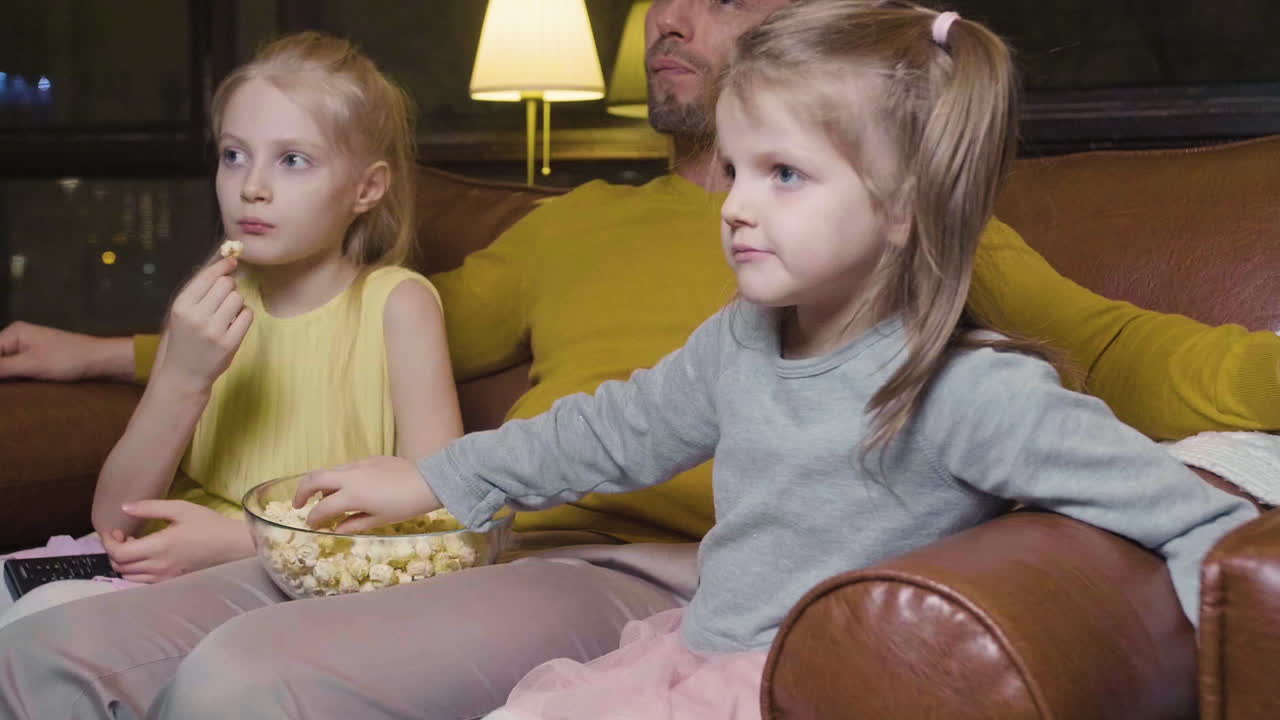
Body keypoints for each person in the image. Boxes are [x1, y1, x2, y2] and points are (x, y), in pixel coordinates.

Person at [0, 0, 1277, 717]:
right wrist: (127, 358)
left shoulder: (940, 297)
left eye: (779, 170)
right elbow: (393, 340)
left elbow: (1122, 381)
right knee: (42, 653)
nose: (671, 13)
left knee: (237, 688)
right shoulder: (643, 266)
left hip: (669, 597)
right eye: (734, 166)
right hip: (510, 541)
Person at [0, 31, 460, 625]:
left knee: (54, 634)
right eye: (234, 155)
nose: (251, 187)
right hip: (172, 565)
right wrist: (182, 377)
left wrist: (242, 542)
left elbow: (438, 515)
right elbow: (114, 521)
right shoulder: (212, 300)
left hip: (311, 583)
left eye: (293, 160)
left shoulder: (398, 305)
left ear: (366, 188)